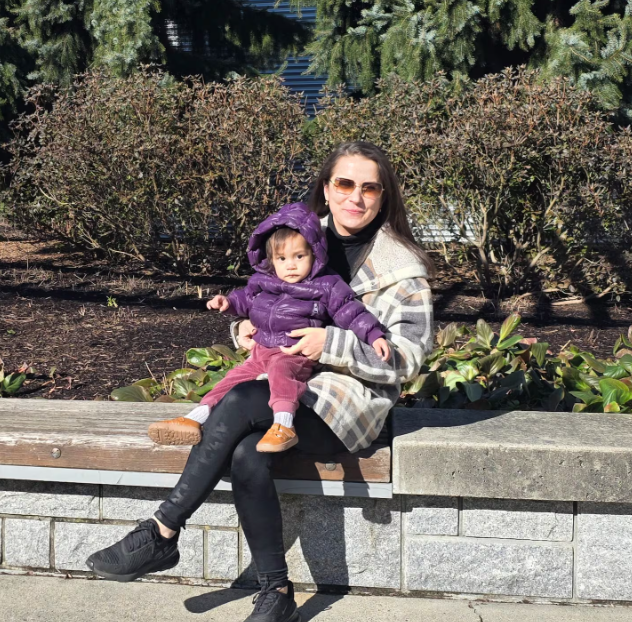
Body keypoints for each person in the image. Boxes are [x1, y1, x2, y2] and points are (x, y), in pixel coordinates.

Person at [86, 141, 434, 622]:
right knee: (247, 454)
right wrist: (246, 328)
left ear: (384, 195)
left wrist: (331, 344)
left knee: (243, 397)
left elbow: (409, 359)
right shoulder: (294, 237)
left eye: (369, 188)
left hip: (347, 400)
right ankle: (277, 592)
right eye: (344, 183)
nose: (355, 197)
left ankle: (162, 530)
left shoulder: (401, 269)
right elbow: (263, 301)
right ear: (326, 188)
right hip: (281, 382)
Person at [147, 202, 390, 452]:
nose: (290, 265)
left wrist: (373, 334)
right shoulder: (263, 281)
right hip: (261, 350)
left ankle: (284, 425)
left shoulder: (326, 285)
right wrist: (228, 303)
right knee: (231, 380)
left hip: (293, 352)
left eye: (299, 256)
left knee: (281, 375)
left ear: (314, 254)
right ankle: (194, 418)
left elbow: (350, 311)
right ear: (271, 260)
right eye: (282, 258)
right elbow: (245, 300)